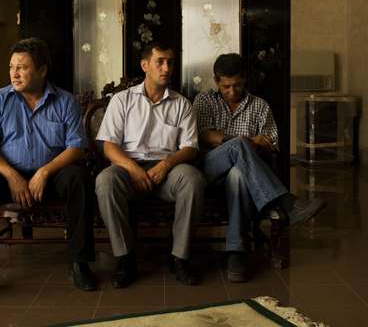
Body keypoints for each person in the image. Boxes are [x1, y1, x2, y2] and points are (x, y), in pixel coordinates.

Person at [0, 37, 96, 300]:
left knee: (79, 178)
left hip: (53, 175)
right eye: (11, 67)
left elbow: (76, 147)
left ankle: (80, 263)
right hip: (7, 175)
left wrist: (44, 172)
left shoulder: (65, 101)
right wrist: (11, 175)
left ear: (42, 70)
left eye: (22, 67)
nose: (15, 73)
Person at [193, 53, 325, 283]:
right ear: (216, 81)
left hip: (245, 177)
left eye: (237, 85)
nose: (232, 91)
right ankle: (286, 202)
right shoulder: (204, 100)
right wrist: (247, 141)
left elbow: (271, 144)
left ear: (244, 79)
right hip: (209, 169)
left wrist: (249, 143)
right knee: (238, 146)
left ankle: (235, 252)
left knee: (238, 175)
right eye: (226, 86)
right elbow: (203, 136)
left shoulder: (260, 106)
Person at [95, 41, 206, 288]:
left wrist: (166, 165)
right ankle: (125, 259)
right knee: (105, 181)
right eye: (160, 62)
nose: (166, 68)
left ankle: (180, 258)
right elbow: (108, 146)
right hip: (128, 168)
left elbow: (189, 148)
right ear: (145, 65)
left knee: (193, 179)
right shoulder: (122, 101)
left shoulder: (181, 104)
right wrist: (133, 169)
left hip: (168, 171)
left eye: (170, 62)